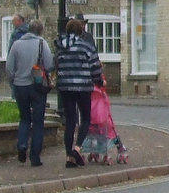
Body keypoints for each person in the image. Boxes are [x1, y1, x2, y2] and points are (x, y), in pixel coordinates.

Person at [54, 17, 104, 168]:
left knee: (70, 122)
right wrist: (98, 81)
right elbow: (95, 65)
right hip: (83, 87)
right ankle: (77, 149)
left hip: (65, 87)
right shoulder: (86, 46)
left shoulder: (59, 46)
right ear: (81, 30)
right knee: (85, 119)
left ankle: (69, 157)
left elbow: (56, 64)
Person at [7, 18, 52, 166]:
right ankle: (35, 158)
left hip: (20, 86)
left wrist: (14, 80)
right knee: (38, 122)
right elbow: (49, 64)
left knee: (25, 118)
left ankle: (22, 145)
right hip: (37, 86)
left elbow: (9, 68)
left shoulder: (16, 44)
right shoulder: (42, 43)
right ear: (40, 31)